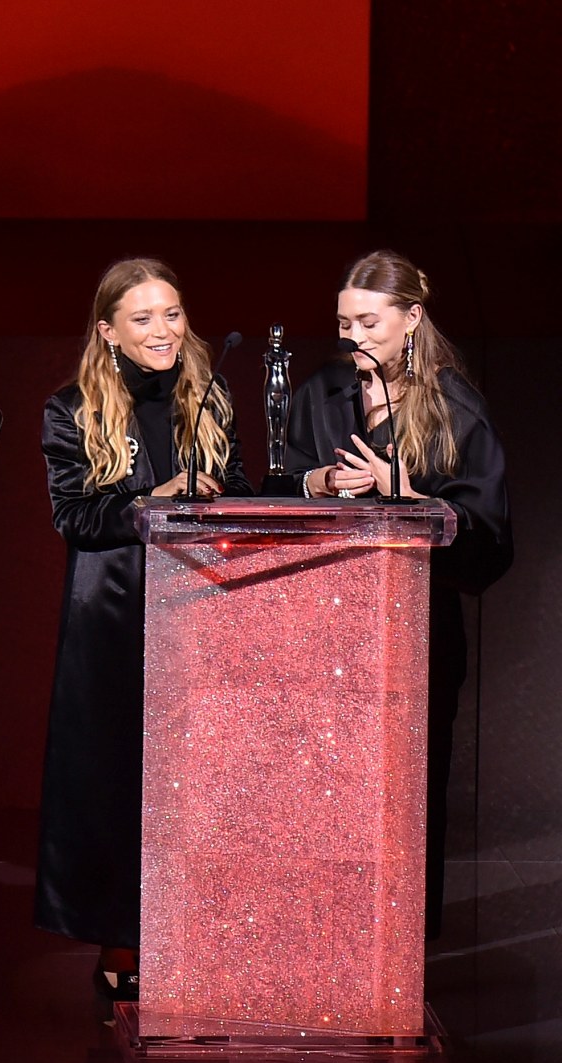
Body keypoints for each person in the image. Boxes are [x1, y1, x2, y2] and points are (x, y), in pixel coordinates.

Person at [34, 257, 254, 999]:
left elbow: (244, 487)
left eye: (172, 313)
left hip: (202, 611)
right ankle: (122, 944)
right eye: (143, 318)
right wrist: (150, 501)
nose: (164, 331)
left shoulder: (209, 392)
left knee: (203, 782)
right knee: (118, 780)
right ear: (109, 332)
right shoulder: (71, 409)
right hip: (116, 619)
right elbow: (76, 519)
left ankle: (203, 936)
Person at [284, 248, 513, 940]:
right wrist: (318, 483)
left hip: (411, 636)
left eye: (369, 323)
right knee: (319, 799)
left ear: (411, 318)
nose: (352, 337)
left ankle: (396, 956)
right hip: (317, 631)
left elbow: (490, 543)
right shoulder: (319, 394)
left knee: (402, 803)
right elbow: (272, 486)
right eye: (344, 323)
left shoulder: (455, 409)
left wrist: (409, 497)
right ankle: (320, 943)